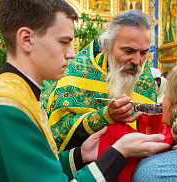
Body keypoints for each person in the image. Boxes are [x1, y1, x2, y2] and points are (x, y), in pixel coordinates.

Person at [0, 1, 169, 181]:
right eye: (64, 42)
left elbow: (39, 167)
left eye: (144, 52)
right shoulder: (6, 108)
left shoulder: (17, 94)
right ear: (27, 39)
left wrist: (80, 154)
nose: (72, 54)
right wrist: (117, 153)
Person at [46, 9, 157, 151]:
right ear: (107, 46)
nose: (137, 61)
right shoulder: (77, 71)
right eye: (128, 51)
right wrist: (105, 116)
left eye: (143, 53)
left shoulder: (145, 77)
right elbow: (57, 134)